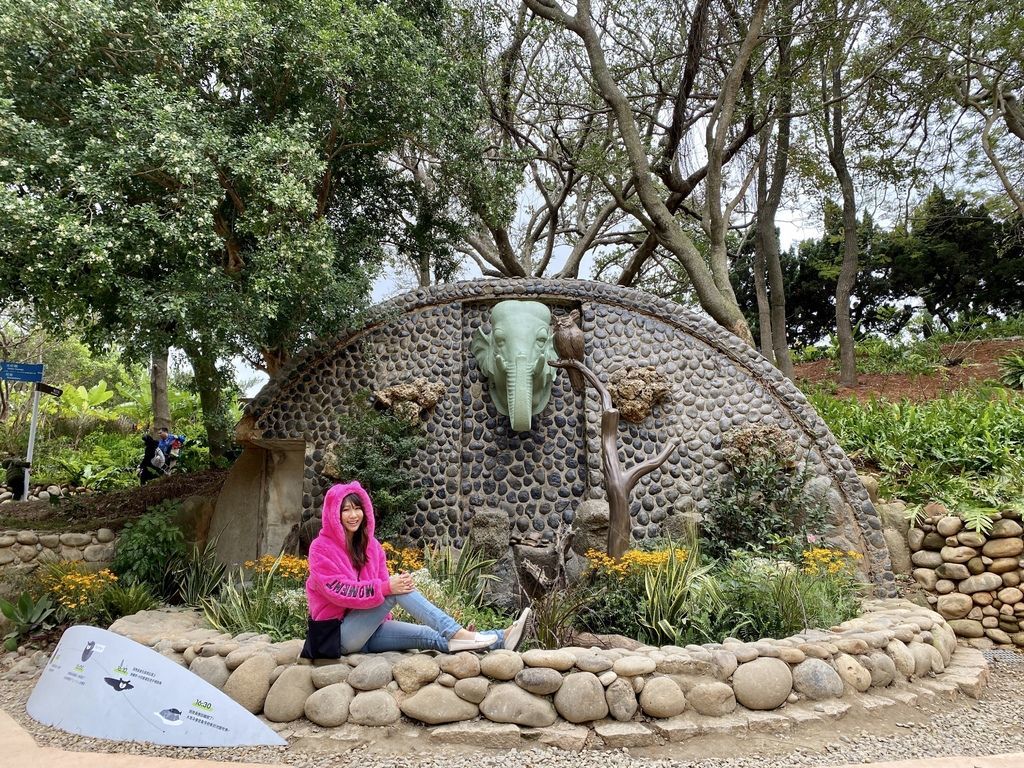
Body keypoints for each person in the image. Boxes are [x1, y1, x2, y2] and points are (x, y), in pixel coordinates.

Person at [302, 481, 531, 658]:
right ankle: (458, 633)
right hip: (338, 635)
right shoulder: (321, 548)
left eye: (357, 508)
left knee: (428, 635)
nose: (353, 515)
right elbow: (339, 591)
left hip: (370, 631)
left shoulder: (373, 548)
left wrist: (387, 587)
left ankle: (499, 639)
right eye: (346, 510)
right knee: (397, 589)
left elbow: (381, 588)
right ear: (334, 514)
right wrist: (386, 587)